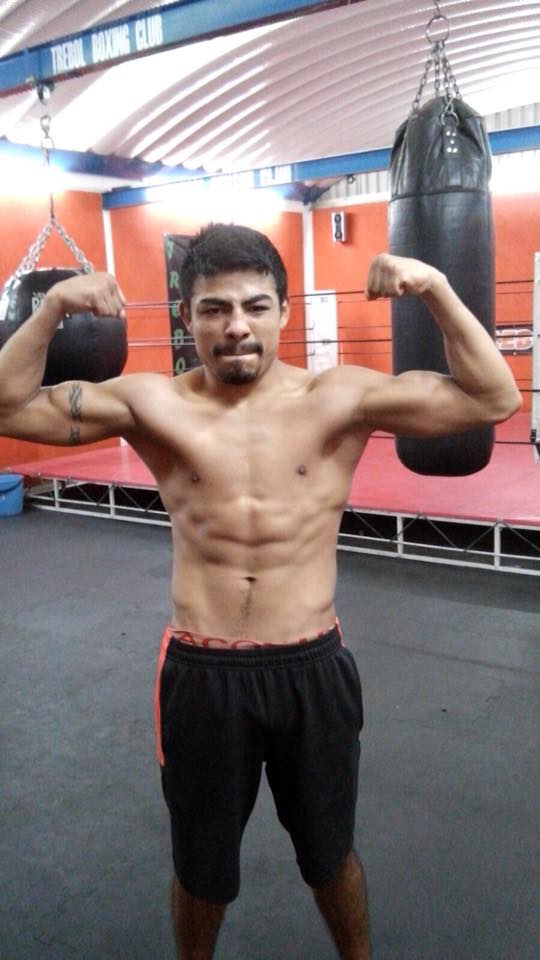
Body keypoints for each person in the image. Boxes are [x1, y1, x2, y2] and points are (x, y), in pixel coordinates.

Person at [0, 223, 521, 960]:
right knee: (201, 872)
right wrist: (51, 308)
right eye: (214, 308)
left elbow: (493, 397)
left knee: (329, 856)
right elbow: (6, 406)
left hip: (312, 666)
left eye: (254, 305)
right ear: (187, 317)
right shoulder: (152, 403)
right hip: (203, 673)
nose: (235, 326)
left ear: (283, 311)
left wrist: (435, 287)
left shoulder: (338, 397)